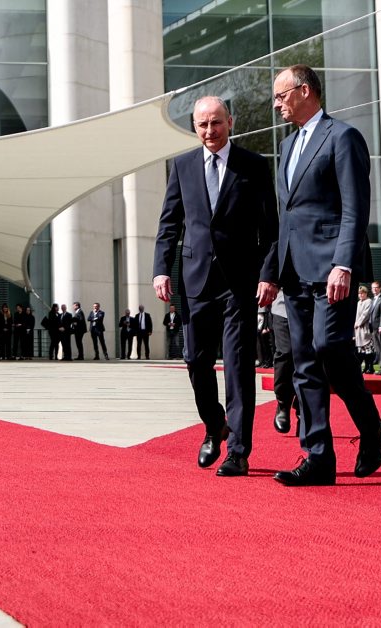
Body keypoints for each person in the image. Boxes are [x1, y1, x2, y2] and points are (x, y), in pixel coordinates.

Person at [271, 64, 381, 486]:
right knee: (304, 361)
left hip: (332, 268)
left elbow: (355, 207)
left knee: (330, 348)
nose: (277, 104)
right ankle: (318, 457)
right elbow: (286, 216)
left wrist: (344, 263)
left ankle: (370, 426)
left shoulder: (342, 137)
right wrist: (271, 271)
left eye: (282, 95)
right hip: (294, 271)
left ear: (305, 90)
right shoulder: (287, 146)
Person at [153, 95, 279, 477]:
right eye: (203, 124)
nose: (210, 130)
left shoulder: (253, 166)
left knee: (238, 367)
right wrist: (161, 270)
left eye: (216, 122)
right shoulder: (182, 166)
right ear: (195, 127)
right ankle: (214, 426)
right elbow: (169, 224)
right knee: (195, 361)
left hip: (239, 285)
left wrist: (268, 274)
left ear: (230, 122)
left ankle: (238, 451)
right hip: (194, 283)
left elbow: (270, 230)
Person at [269, 290, 296, 434]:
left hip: (314, 302)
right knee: (285, 352)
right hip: (283, 303)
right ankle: (283, 402)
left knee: (309, 355)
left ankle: (303, 407)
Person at [354, 285, 375, 375]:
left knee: (368, 348)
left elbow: (365, 314)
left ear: (366, 293)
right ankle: (366, 366)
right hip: (358, 329)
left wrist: (358, 323)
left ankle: (370, 366)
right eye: (359, 293)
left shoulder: (368, 301)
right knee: (361, 350)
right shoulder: (359, 303)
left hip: (365, 327)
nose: (360, 295)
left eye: (362, 293)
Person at [369, 280, 381, 374]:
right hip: (372, 327)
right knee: (377, 348)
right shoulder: (372, 300)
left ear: (380, 289)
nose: (374, 289)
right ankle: (380, 366)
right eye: (373, 288)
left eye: (376, 288)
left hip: (378, 327)